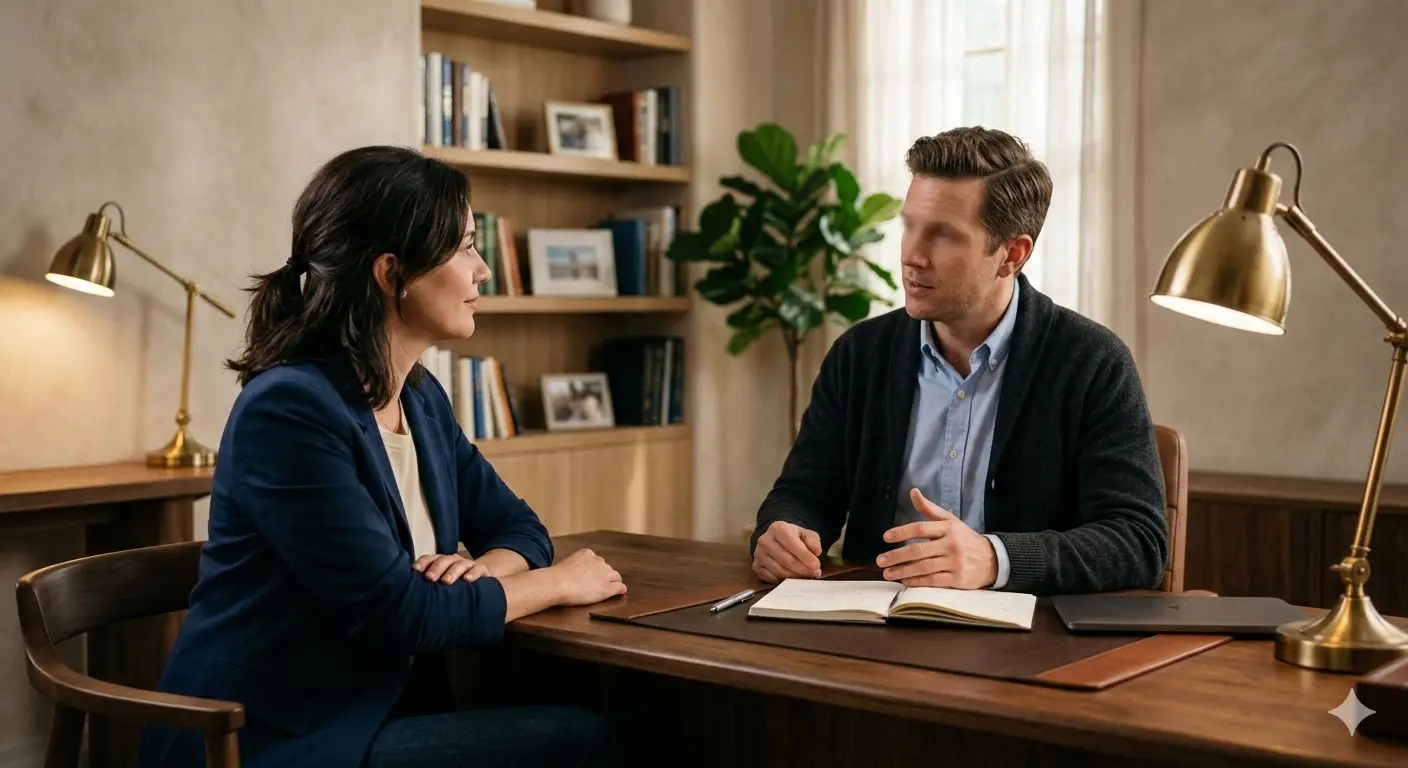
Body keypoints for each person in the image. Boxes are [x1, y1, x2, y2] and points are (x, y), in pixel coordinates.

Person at [139, 145, 627, 768]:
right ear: (392, 273)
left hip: (382, 709)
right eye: (464, 248)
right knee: (581, 741)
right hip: (272, 735)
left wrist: (482, 573)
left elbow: (518, 526)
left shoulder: (420, 399)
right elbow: (398, 613)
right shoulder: (287, 411)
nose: (482, 271)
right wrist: (555, 583)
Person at [750, 127, 1168, 596]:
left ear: (1012, 254)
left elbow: (1139, 542)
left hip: (1028, 631)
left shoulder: (1093, 362)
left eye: (944, 235)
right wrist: (784, 530)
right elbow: (803, 494)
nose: (912, 256)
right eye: (909, 226)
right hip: (873, 622)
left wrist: (994, 559)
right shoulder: (859, 354)